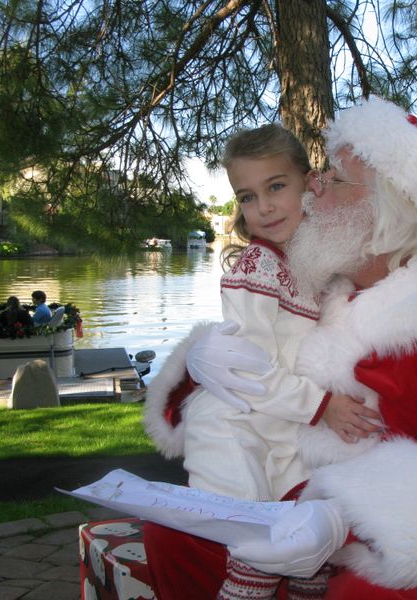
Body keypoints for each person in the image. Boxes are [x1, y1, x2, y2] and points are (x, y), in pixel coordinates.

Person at [143, 97, 417, 600]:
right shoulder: (325, 287)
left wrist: (343, 512)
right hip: (297, 488)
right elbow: (260, 358)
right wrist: (202, 357)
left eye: (335, 179)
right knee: (175, 535)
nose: (314, 189)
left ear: (385, 206)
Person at [144, 123, 380, 600]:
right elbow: (245, 367)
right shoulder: (254, 270)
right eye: (247, 197)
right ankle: (248, 573)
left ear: (309, 184)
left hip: (288, 414)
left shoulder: (316, 261)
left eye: (276, 187)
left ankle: (306, 569)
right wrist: (321, 406)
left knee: (307, 480)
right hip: (244, 409)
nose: (264, 207)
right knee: (237, 481)